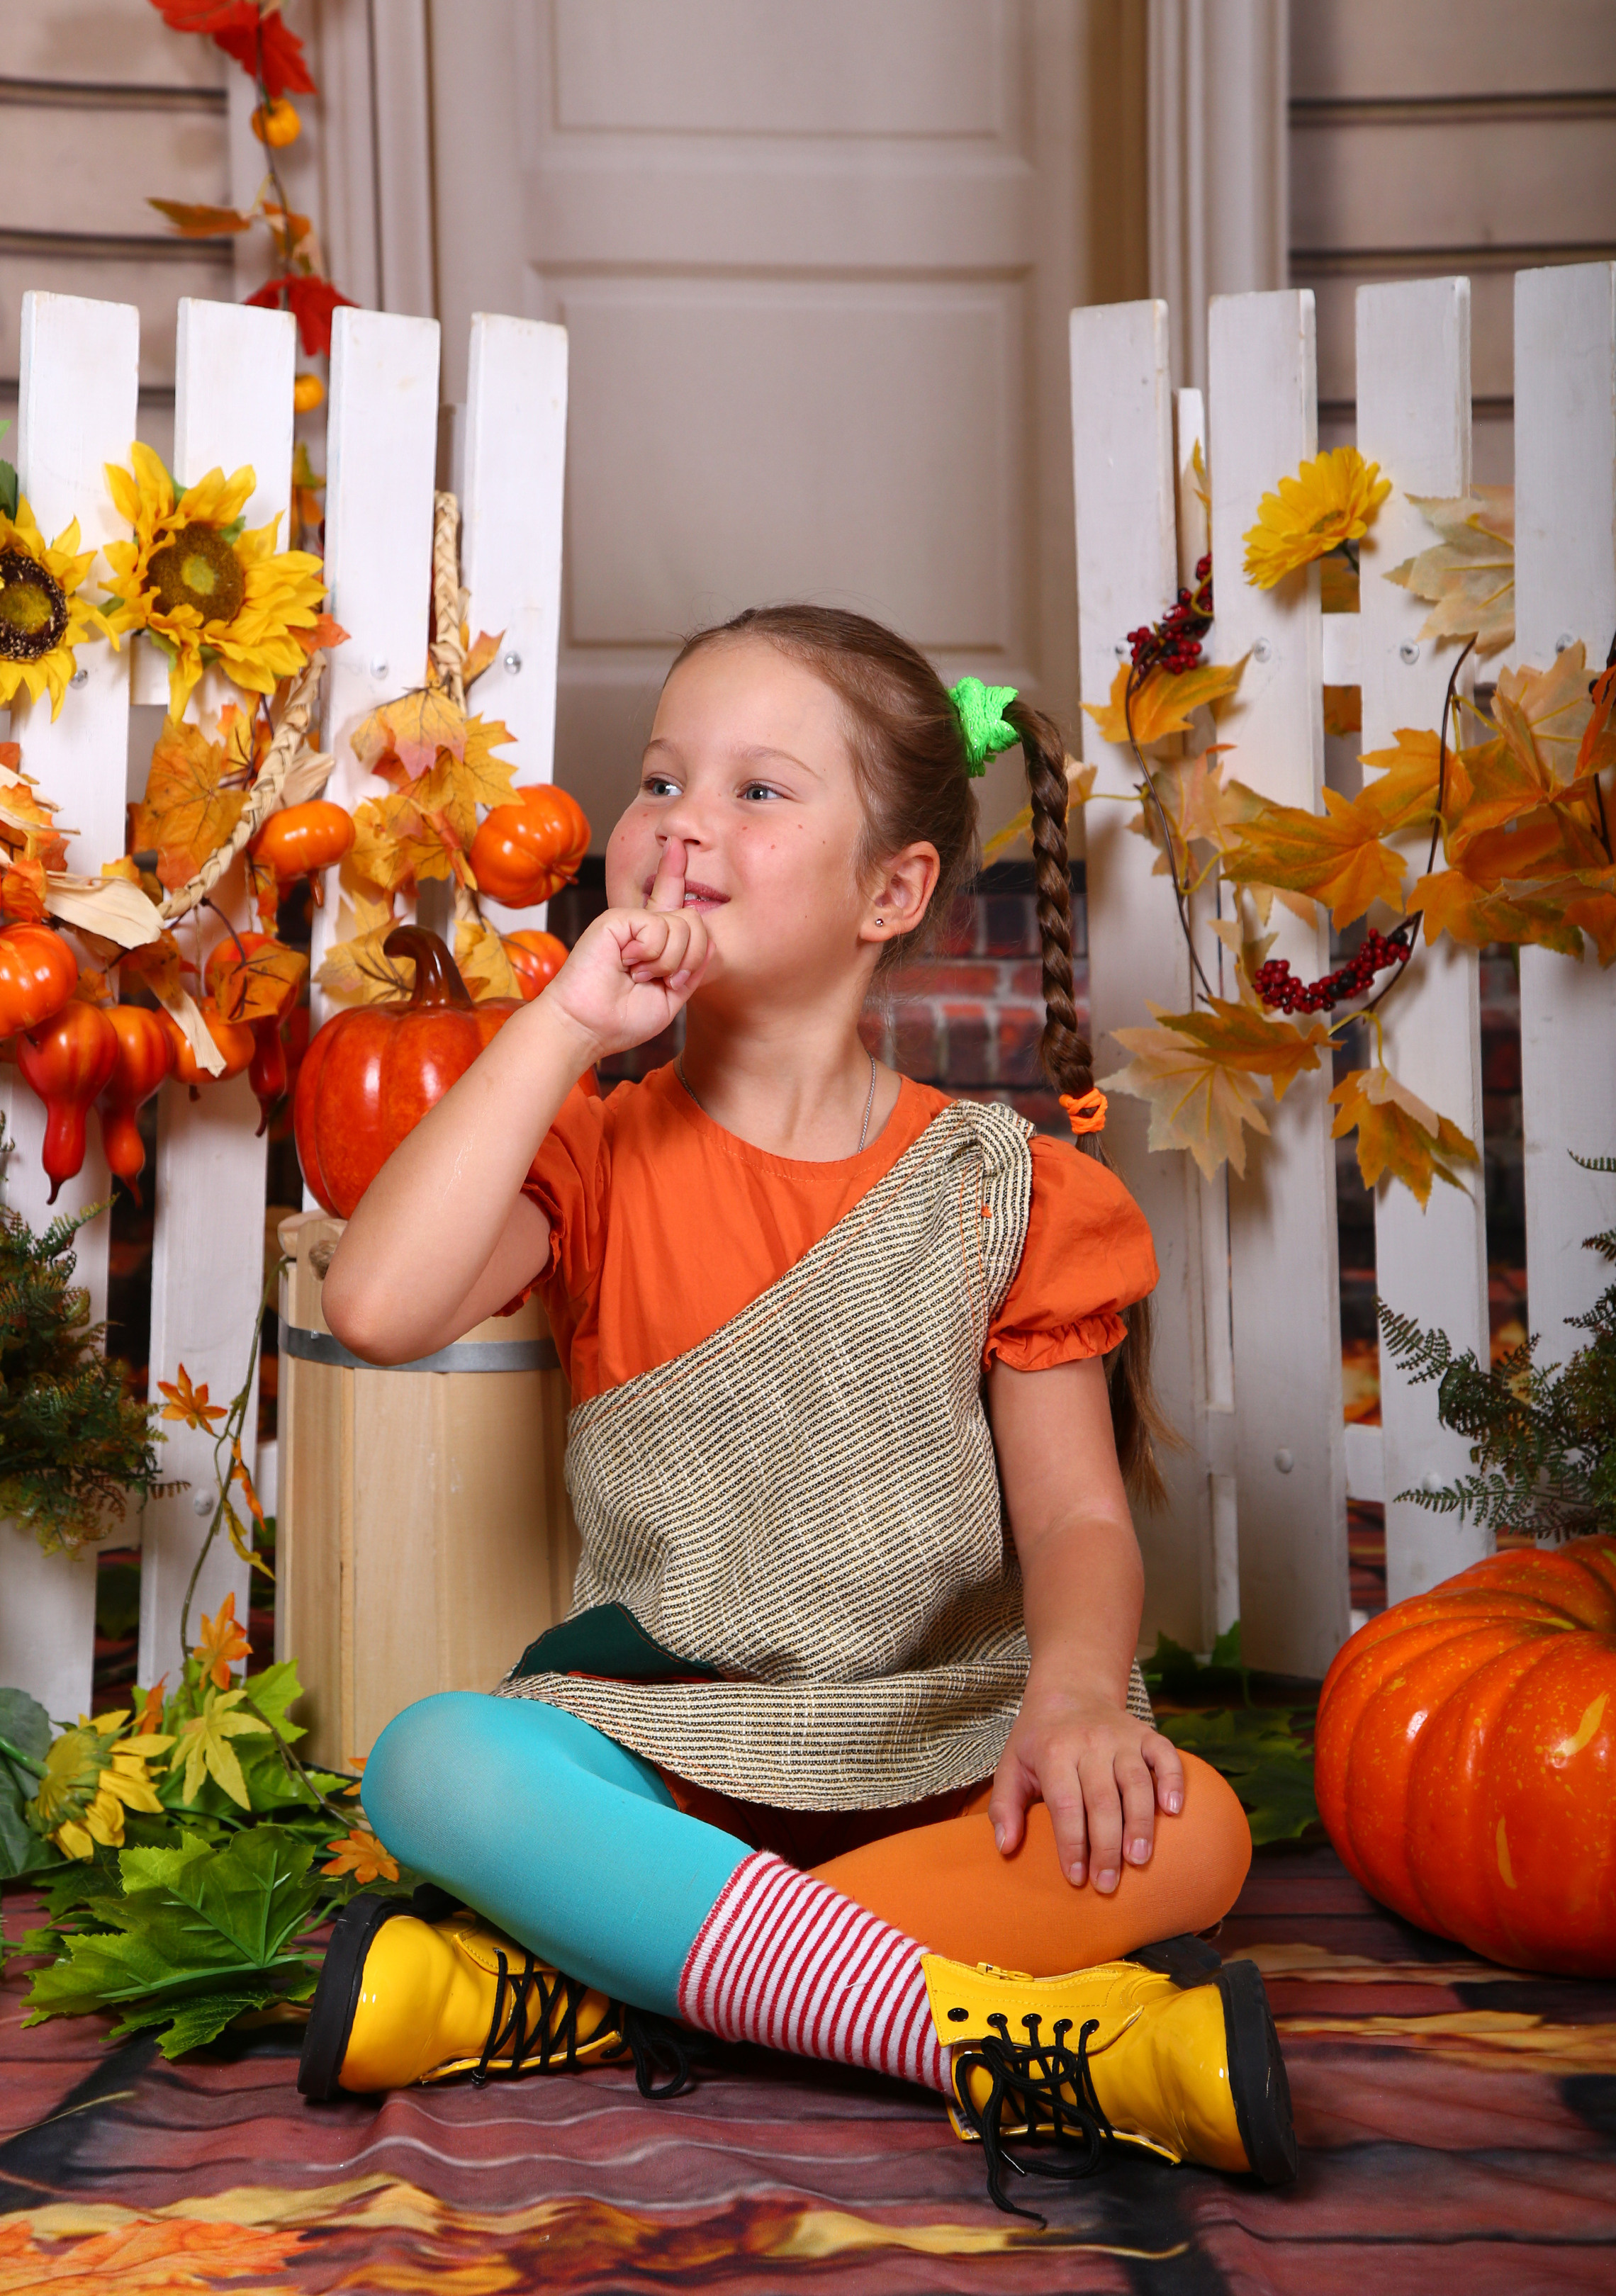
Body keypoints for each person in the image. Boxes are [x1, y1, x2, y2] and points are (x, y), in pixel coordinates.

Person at [298, 605, 1295, 2213]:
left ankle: (563, 1990)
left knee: (1198, 1834)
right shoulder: (596, 1154)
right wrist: (559, 1025)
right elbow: (375, 1306)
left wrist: (1080, 1699)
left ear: (892, 892)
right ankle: (994, 2038)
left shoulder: (1005, 1193)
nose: (683, 823)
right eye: (658, 780)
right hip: (665, 1756)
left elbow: (1077, 1517)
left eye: (759, 793)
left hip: (935, 1746)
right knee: (441, 1768)